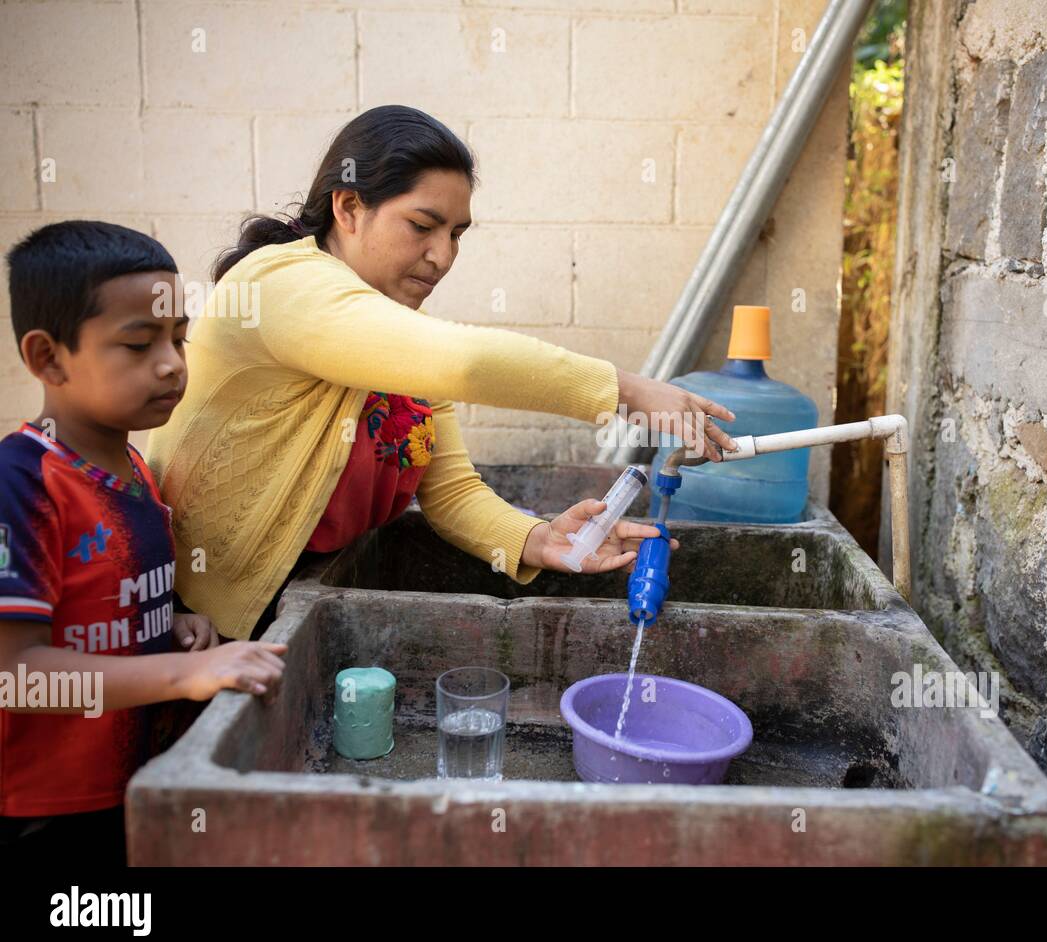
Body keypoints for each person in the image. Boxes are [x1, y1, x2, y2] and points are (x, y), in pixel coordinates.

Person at [147, 105, 739, 641]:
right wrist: (627, 391)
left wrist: (539, 539)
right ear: (349, 208)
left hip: (292, 606)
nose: (444, 256)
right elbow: (468, 362)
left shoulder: (398, 337)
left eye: (456, 234)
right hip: (194, 618)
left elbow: (451, 492)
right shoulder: (277, 284)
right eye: (422, 226)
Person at [0, 221, 287, 864]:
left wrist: (171, 626)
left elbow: (96, 607)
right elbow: (15, 675)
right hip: (47, 814)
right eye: (138, 345)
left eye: (178, 339)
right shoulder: (21, 484)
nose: (170, 364)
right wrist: (184, 672)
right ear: (48, 357)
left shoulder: (134, 471)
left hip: (134, 782)